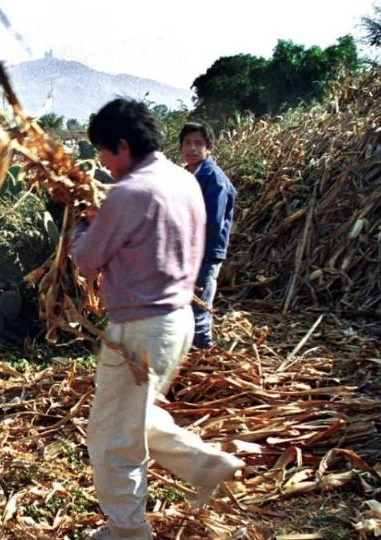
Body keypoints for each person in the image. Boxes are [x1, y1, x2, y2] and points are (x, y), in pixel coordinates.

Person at [70, 99, 244, 539]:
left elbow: (87, 261)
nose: (104, 164)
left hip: (138, 332)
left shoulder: (130, 193)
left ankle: (127, 532)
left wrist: (80, 220)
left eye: (105, 153)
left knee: (111, 436)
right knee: (136, 417)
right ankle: (209, 465)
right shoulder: (183, 181)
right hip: (178, 320)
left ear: (123, 146)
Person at [179, 122, 236, 350]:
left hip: (206, 252)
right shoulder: (186, 174)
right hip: (189, 250)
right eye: (187, 143)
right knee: (185, 306)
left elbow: (212, 224)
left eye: (198, 144)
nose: (192, 148)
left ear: (209, 147)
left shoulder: (214, 179)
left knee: (199, 309)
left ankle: (205, 359)